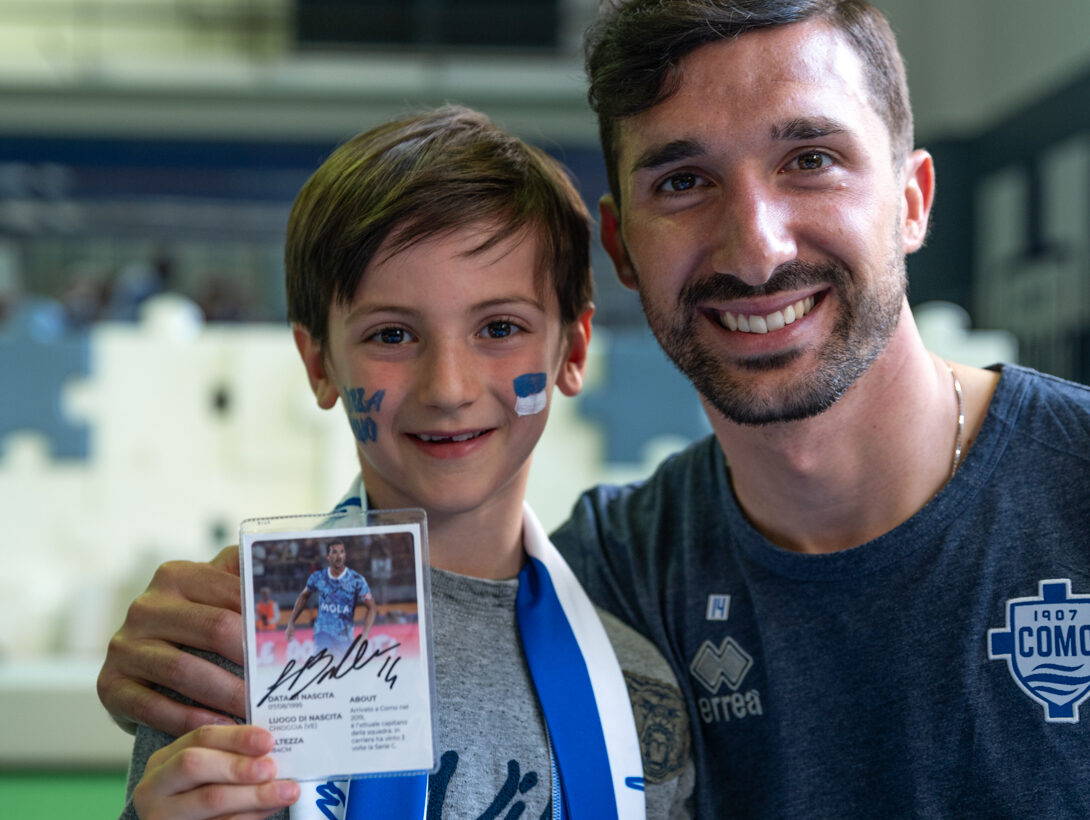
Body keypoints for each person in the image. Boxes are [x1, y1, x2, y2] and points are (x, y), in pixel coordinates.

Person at [98, 1, 1090, 816]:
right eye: (684, 180)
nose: (755, 246)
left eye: (810, 159)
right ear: (621, 249)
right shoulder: (619, 572)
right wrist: (173, 658)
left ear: (913, 199)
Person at [118, 106, 693, 820]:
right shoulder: (230, 651)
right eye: (392, 335)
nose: (448, 388)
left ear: (572, 351)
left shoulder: (641, 692)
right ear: (319, 364)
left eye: (500, 328)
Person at [282, 540, 375, 655]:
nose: (339, 556)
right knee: (324, 660)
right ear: (327, 556)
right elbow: (303, 596)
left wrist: (365, 635)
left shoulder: (356, 580)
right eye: (334, 552)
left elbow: (372, 607)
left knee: (339, 665)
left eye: (342, 552)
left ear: (345, 555)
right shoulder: (318, 577)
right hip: (323, 633)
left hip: (345, 637)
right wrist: (291, 622)